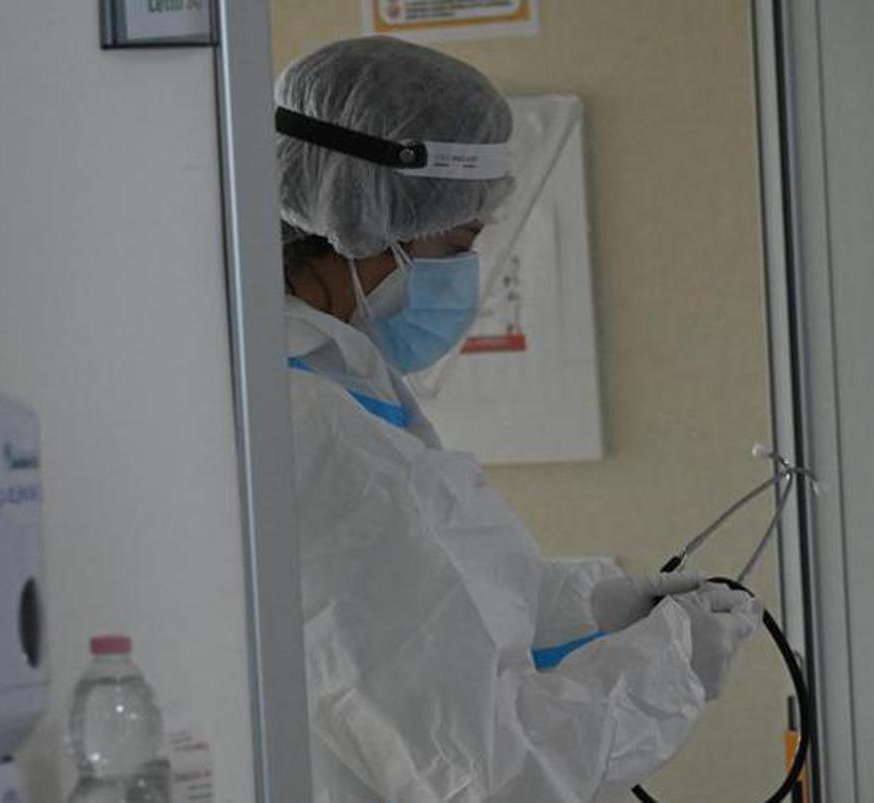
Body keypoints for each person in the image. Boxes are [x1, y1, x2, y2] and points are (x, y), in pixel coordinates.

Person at [276, 36, 763, 803]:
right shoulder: (313, 426)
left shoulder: (343, 384)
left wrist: (596, 610)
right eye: (457, 241)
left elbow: (445, 600)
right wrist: (668, 669)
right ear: (360, 220)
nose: (465, 273)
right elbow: (488, 775)